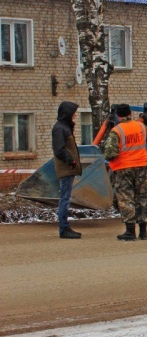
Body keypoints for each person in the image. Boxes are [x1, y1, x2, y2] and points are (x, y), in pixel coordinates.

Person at [103, 104, 147, 241]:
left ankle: (130, 232)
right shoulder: (141, 127)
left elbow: (110, 152)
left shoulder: (117, 130)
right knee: (142, 197)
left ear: (118, 116)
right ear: (130, 113)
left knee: (126, 198)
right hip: (141, 166)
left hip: (124, 168)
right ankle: (143, 231)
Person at [52, 101, 83, 239]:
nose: (76, 114)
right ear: (68, 113)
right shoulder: (60, 128)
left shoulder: (65, 127)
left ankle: (65, 227)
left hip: (69, 168)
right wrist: (72, 161)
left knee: (66, 198)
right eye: (74, 112)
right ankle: (64, 228)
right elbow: (59, 150)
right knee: (65, 198)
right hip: (66, 168)